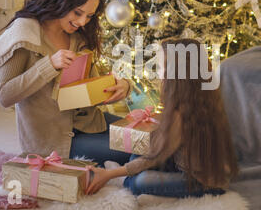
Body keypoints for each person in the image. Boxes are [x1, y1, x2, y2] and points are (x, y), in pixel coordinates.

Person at [0, 0, 131, 165]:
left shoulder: (79, 36)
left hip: (89, 122)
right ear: (60, 0)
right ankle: (136, 180)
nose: (82, 22)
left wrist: (122, 86)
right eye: (77, 13)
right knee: (135, 149)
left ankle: (141, 175)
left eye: (89, 16)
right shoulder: (25, 32)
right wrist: (48, 65)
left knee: (151, 139)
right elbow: (4, 96)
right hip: (56, 141)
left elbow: (90, 90)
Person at [86, 38, 239, 198]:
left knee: (139, 182)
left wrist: (110, 174)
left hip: (202, 181)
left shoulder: (180, 113)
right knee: (141, 149)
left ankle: (125, 177)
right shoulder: (202, 97)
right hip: (183, 162)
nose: (156, 72)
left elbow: (153, 158)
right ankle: (126, 173)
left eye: (159, 67)